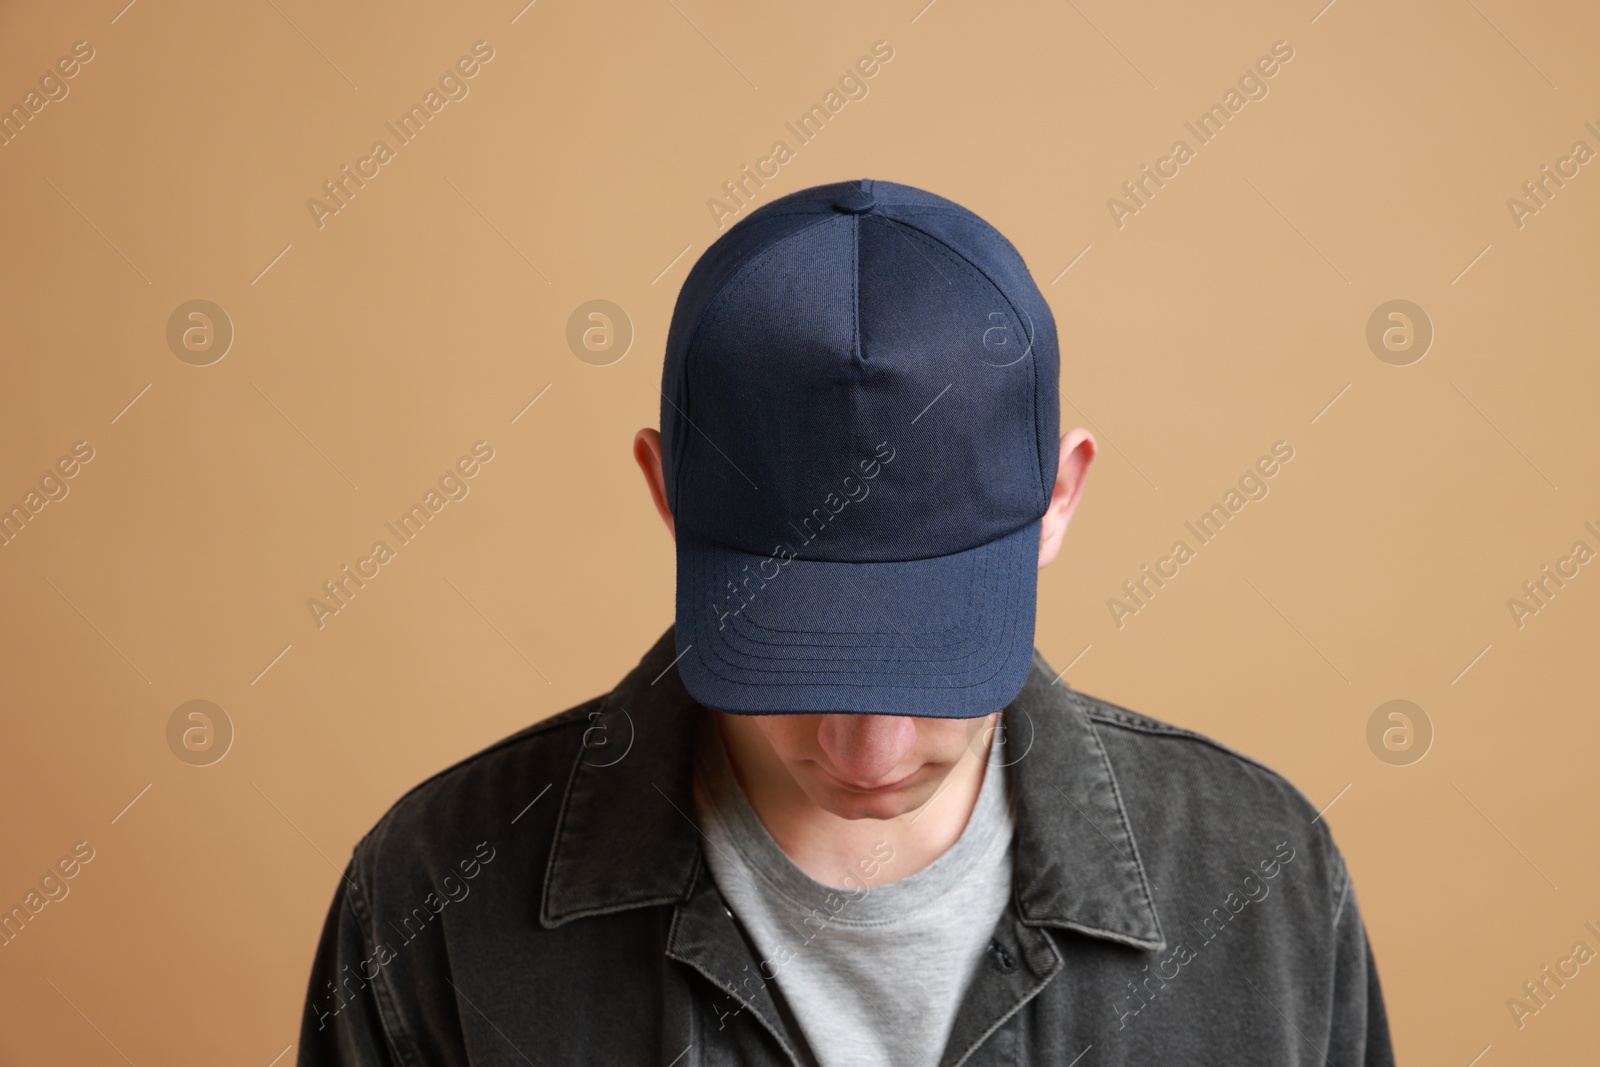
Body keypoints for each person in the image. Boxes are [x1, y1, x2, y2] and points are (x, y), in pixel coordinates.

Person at [299, 178, 1394, 1065]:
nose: (868, 749)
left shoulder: (1265, 886)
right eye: (794, 654)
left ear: (1059, 498)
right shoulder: (431, 897)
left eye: (931, 657)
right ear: (667, 493)